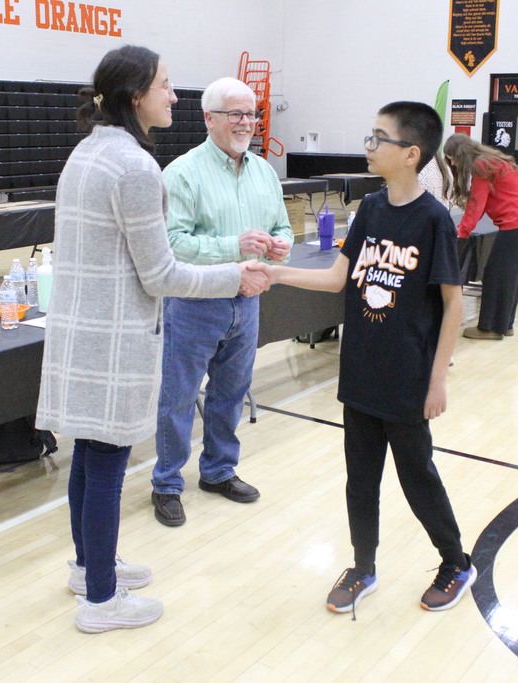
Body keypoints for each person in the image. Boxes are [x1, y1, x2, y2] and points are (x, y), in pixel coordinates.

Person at [36, 46, 268, 634]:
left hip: (86, 333)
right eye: (166, 86)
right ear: (136, 95)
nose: (174, 96)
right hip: (113, 341)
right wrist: (233, 276)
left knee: (89, 457)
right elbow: (161, 274)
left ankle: (91, 569)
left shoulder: (89, 151)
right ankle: (102, 600)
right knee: (107, 464)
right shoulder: (135, 167)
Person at [253, 102, 475, 615]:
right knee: (360, 478)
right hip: (361, 373)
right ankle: (363, 565)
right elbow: (337, 278)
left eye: (380, 138)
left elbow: (453, 303)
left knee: (418, 477)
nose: (369, 146)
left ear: (410, 154)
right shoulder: (372, 209)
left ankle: (455, 562)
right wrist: (277, 274)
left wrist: (437, 380)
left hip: (408, 379)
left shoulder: (433, 220)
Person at [150, 77, 294, 527]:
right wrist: (235, 248)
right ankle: (167, 483)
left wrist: (281, 246)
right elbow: (172, 244)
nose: (246, 122)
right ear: (209, 118)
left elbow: (284, 226)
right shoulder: (182, 173)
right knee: (179, 398)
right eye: (235, 113)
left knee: (231, 393)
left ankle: (216, 471)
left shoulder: (264, 171)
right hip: (195, 302)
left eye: (251, 113)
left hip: (247, 301)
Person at [442, 133, 518, 339]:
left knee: (495, 276)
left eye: (452, 157)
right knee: (510, 276)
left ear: (460, 153)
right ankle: (505, 325)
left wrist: (462, 232)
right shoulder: (491, 159)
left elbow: (477, 204)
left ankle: (490, 328)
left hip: (514, 224)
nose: (452, 162)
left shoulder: (481, 165)